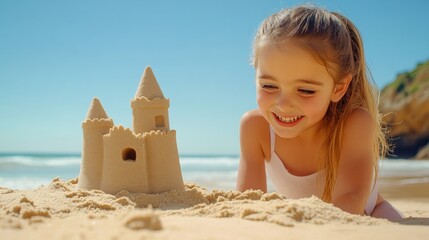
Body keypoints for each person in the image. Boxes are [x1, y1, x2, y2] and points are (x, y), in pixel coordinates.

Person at [236, 5, 403, 220]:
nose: (284, 105)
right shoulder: (254, 128)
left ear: (338, 88)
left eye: (305, 90)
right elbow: (247, 203)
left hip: (373, 215)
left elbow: (349, 203)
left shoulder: (354, 123)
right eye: (269, 86)